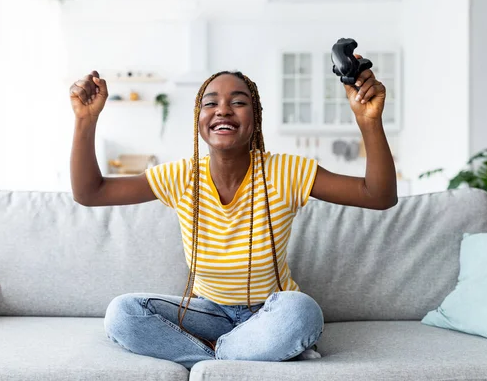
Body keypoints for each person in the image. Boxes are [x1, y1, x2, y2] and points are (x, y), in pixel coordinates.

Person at [69, 59, 397, 369]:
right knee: (122, 313)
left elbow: (379, 196)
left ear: (255, 118)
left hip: (271, 312)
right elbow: (90, 192)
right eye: (210, 103)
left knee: (302, 313)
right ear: (199, 118)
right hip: (207, 313)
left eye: (238, 102)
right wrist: (85, 119)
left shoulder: (287, 171)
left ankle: (214, 356)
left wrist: (368, 121)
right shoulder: (181, 177)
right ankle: (243, 357)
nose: (222, 109)